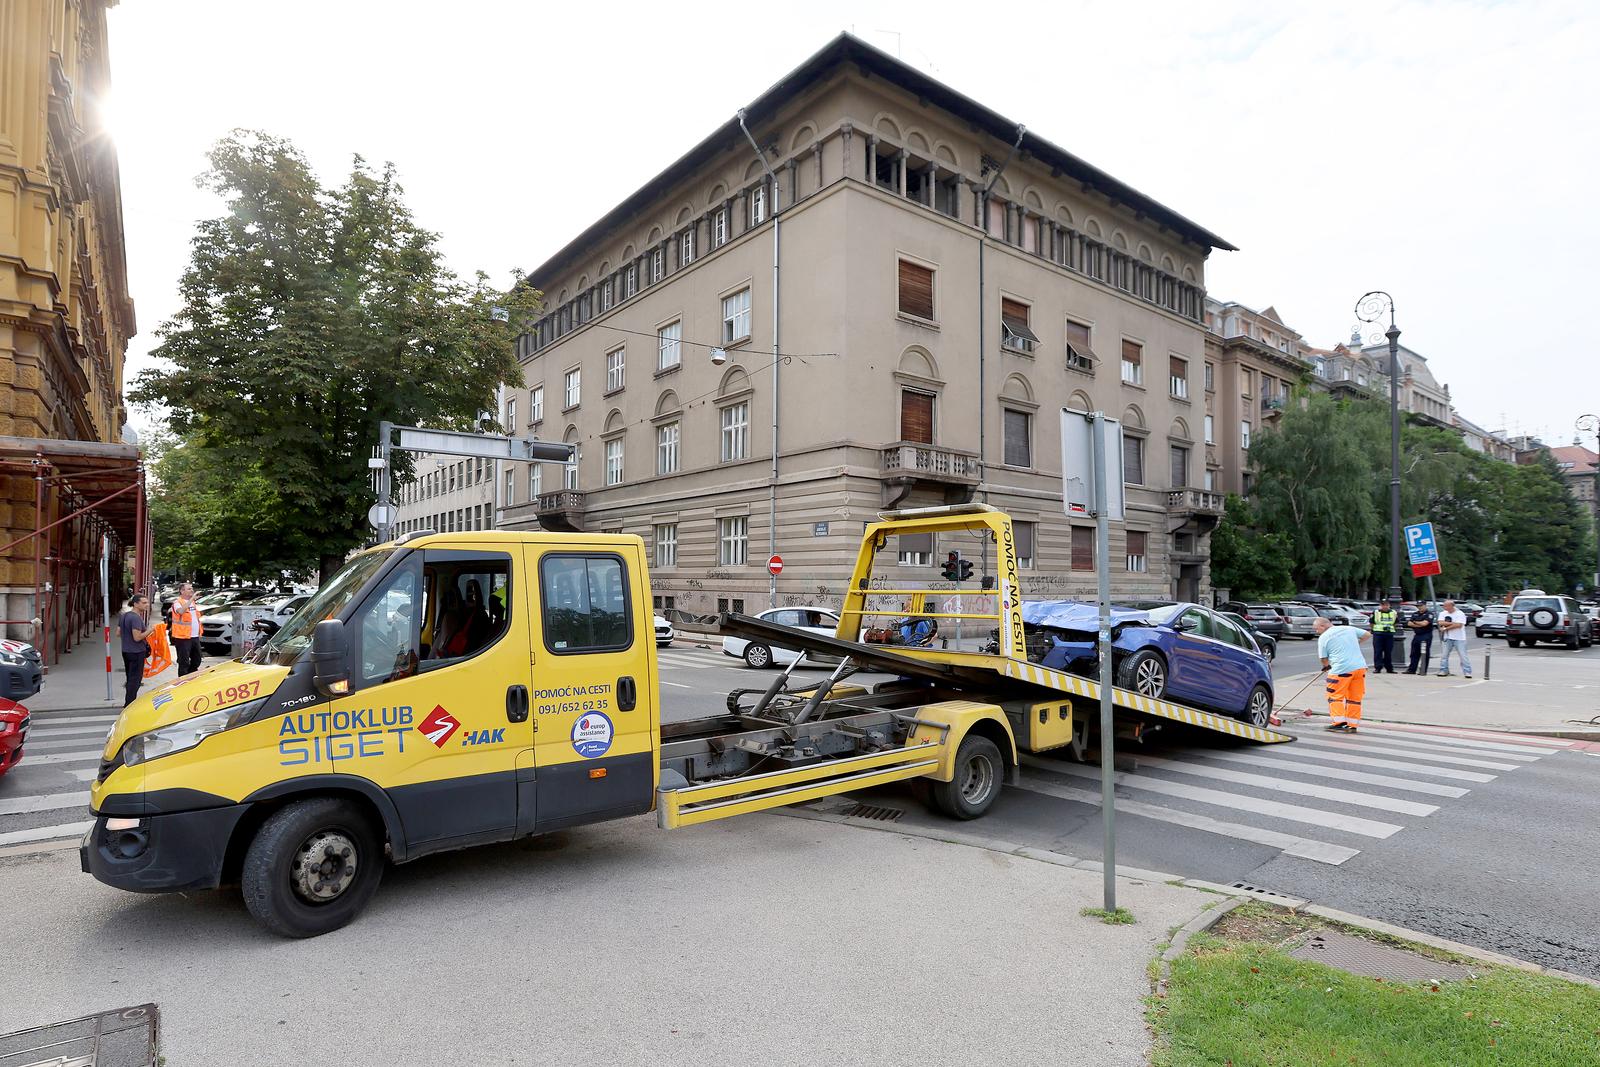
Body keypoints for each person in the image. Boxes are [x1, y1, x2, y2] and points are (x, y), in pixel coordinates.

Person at [1315, 616, 1371, 732]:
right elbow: (1367, 635)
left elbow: (1323, 658)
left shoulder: (1324, 637)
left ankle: (1339, 722)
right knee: (1354, 698)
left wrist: (1326, 666)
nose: (1316, 631)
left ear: (1323, 626)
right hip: (1360, 668)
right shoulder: (1348, 628)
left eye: (1316, 629)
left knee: (1334, 697)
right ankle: (1352, 725)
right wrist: (1354, 644)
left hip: (1340, 670)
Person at [119, 594, 152, 707]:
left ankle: (129, 701)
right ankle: (129, 704)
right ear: (136, 604)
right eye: (144, 603)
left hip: (126, 650)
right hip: (136, 651)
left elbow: (118, 633)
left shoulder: (124, 615)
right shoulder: (136, 618)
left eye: (147, 602)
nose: (147, 605)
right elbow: (137, 637)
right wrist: (150, 630)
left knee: (130, 677)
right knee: (135, 679)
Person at [169, 582, 203, 676]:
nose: (191, 590)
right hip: (182, 637)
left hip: (194, 636)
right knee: (184, 662)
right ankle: (182, 681)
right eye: (189, 589)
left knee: (197, 659)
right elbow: (181, 611)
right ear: (182, 591)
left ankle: (190, 676)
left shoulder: (192, 603)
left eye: (191, 588)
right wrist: (192, 598)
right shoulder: (177, 603)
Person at [1436, 598, 1472, 678]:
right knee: (1444, 655)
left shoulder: (1460, 614)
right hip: (1447, 637)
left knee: (1463, 655)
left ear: (1452, 606)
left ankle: (1467, 672)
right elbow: (1440, 622)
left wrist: (1446, 628)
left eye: (1446, 606)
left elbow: (1459, 625)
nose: (1445, 608)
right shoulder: (1443, 613)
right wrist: (1453, 623)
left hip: (1459, 638)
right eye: (1444, 606)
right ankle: (1443, 670)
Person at [1404, 600, 1435, 674]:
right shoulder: (1415, 614)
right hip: (1417, 635)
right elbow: (1409, 623)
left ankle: (1423, 670)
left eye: (1421, 606)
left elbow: (1425, 624)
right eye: (1418, 606)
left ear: (1425, 605)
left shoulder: (1429, 614)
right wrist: (1418, 624)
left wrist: (1415, 622)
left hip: (1426, 635)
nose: (1419, 607)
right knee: (1414, 653)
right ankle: (1412, 670)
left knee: (1424, 653)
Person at [1370, 598, 1398, 674]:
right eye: (1383, 605)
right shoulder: (1376, 612)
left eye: (1386, 605)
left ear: (1389, 605)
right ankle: (1378, 667)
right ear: (1380, 605)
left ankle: (1389, 668)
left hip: (1389, 634)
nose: (1385, 606)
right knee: (1378, 651)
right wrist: (1373, 630)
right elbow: (1371, 623)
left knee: (1388, 652)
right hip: (1378, 634)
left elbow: (1395, 623)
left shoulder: (1394, 612)